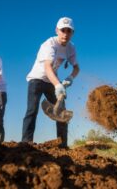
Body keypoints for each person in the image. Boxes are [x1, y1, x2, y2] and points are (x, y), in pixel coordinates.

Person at [22, 17, 80, 147]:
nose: (65, 34)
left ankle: (62, 144)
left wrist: (70, 78)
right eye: (62, 30)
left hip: (52, 80)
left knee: (61, 111)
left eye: (68, 31)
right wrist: (58, 85)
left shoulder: (71, 48)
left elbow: (77, 68)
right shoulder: (49, 44)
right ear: (57, 30)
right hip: (37, 79)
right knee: (32, 110)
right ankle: (26, 143)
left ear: (72, 33)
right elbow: (47, 67)